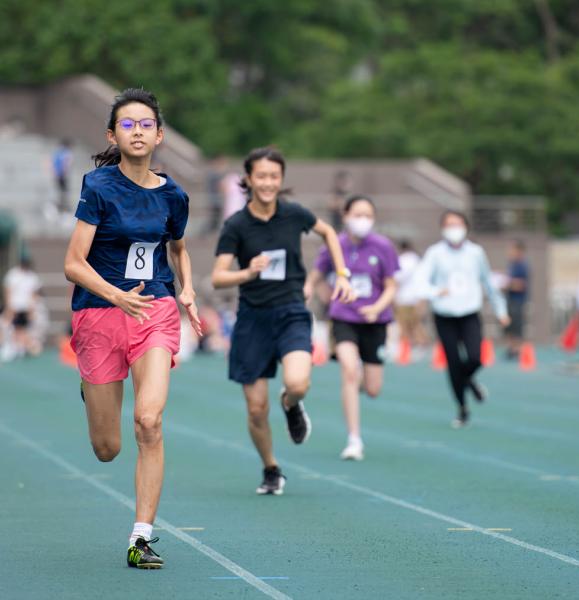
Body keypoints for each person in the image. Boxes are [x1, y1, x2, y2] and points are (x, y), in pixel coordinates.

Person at [63, 88, 202, 569]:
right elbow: (73, 263)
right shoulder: (98, 187)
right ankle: (92, 386)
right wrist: (116, 294)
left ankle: (141, 537)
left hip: (154, 312)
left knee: (149, 421)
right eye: (128, 124)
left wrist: (187, 289)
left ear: (159, 134)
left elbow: (178, 248)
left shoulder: (174, 195)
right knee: (107, 448)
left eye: (146, 124)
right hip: (100, 314)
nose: (137, 131)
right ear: (112, 134)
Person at [211, 146, 353, 494]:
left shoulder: (293, 214)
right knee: (256, 409)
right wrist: (247, 271)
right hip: (252, 320)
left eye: (274, 176)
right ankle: (271, 468)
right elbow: (217, 277)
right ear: (248, 179)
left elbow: (330, 233)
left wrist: (342, 273)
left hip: (291, 312)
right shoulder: (237, 225)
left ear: (281, 180)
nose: (268, 182)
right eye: (261, 176)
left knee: (298, 382)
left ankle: (290, 404)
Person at [306, 195, 399, 460]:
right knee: (348, 370)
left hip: (375, 322)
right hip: (344, 317)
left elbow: (391, 286)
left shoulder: (383, 246)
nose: (362, 220)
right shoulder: (335, 246)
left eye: (368, 215)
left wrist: (377, 307)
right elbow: (317, 273)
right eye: (357, 214)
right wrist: (309, 288)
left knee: (372, 388)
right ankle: (354, 439)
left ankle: (357, 382)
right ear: (345, 216)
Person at [415, 210, 510, 428]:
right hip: (444, 315)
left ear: (466, 227)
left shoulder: (476, 253)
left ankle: (469, 381)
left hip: (469, 313)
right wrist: (435, 291)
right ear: (442, 228)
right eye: (449, 224)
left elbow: (488, 282)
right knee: (453, 362)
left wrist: (501, 310)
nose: (454, 228)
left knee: (475, 357)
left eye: (457, 224)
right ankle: (462, 408)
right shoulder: (435, 253)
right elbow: (420, 281)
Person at [2, 256, 43, 359]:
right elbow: (8, 290)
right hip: (14, 307)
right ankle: (9, 347)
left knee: (23, 329)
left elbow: (34, 293)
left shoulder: (32, 276)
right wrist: (9, 306)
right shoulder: (13, 274)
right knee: (9, 326)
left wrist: (32, 309)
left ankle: (20, 348)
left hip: (26, 308)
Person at [394, 239, 427, 351]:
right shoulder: (418, 260)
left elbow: (398, 278)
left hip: (405, 298)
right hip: (417, 297)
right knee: (416, 324)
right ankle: (419, 347)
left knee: (407, 326)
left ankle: (410, 348)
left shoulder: (404, 260)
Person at [503, 239, 529, 359]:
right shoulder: (511, 265)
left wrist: (509, 284)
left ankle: (517, 349)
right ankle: (511, 348)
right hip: (509, 299)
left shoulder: (522, 266)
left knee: (517, 325)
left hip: (518, 301)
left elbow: (521, 285)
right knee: (508, 325)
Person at [52, 139, 73, 213]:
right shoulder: (66, 153)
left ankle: (62, 205)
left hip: (59, 174)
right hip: (62, 175)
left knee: (61, 190)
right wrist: (64, 172)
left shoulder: (58, 152)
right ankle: (63, 206)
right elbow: (65, 164)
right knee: (64, 190)